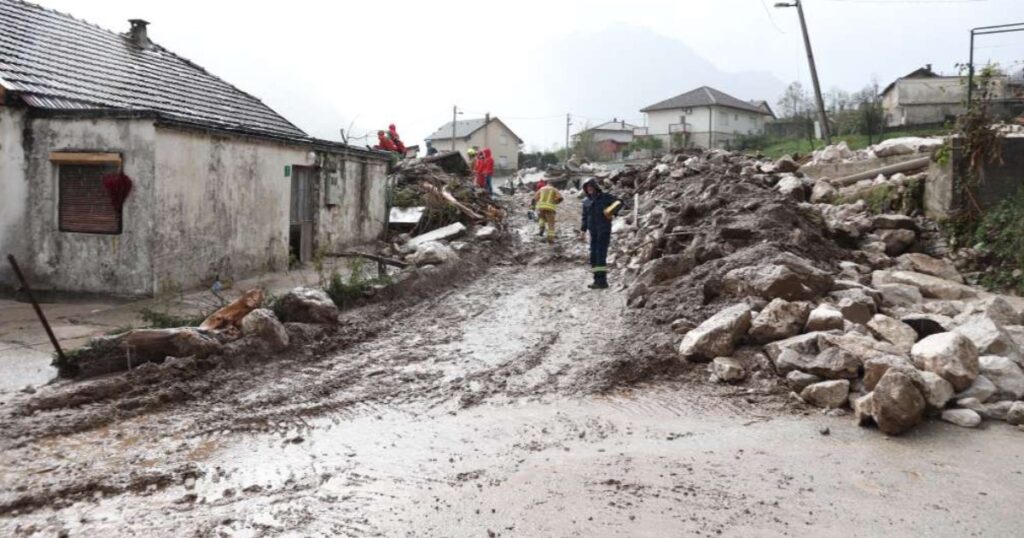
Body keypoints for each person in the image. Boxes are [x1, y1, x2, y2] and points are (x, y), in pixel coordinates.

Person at [579, 177, 623, 289]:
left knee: (600, 255)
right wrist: (583, 231)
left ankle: (602, 282)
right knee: (593, 256)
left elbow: (619, 202)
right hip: (593, 232)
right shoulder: (586, 201)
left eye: (590, 187)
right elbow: (584, 217)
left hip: (603, 231)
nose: (589, 189)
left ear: (595, 187)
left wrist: (610, 211)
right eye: (587, 187)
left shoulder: (605, 197)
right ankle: (596, 280)